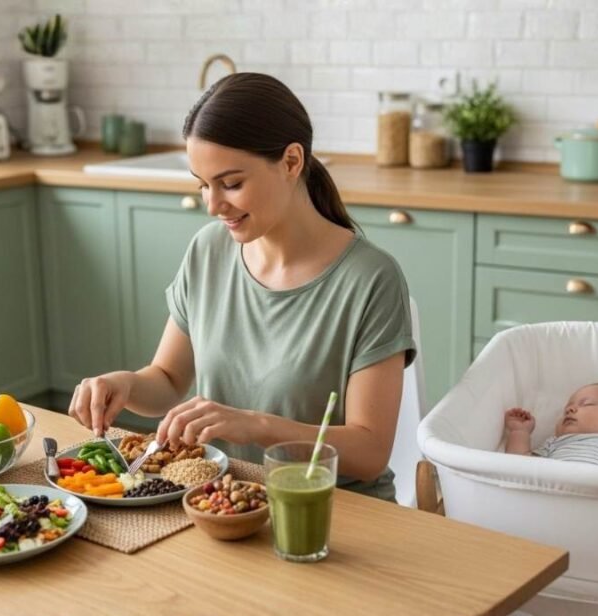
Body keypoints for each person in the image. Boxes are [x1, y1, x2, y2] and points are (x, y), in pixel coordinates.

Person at [69, 73, 416, 500]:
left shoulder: (371, 279)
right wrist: (124, 383)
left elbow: (370, 451)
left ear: (291, 162)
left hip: (333, 512)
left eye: (231, 184)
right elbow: (167, 378)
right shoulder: (208, 251)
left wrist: (257, 425)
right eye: (203, 185)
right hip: (224, 503)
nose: (213, 205)